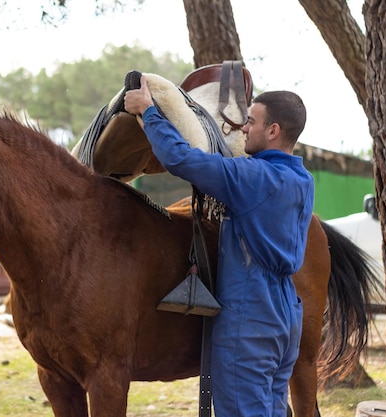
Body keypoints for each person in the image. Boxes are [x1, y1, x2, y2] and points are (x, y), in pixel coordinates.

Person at [124, 76, 314, 417]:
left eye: (251, 122)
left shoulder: (253, 178)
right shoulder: (302, 180)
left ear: (273, 131)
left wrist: (149, 111)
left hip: (251, 314)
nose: (243, 129)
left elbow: (182, 160)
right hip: (286, 315)